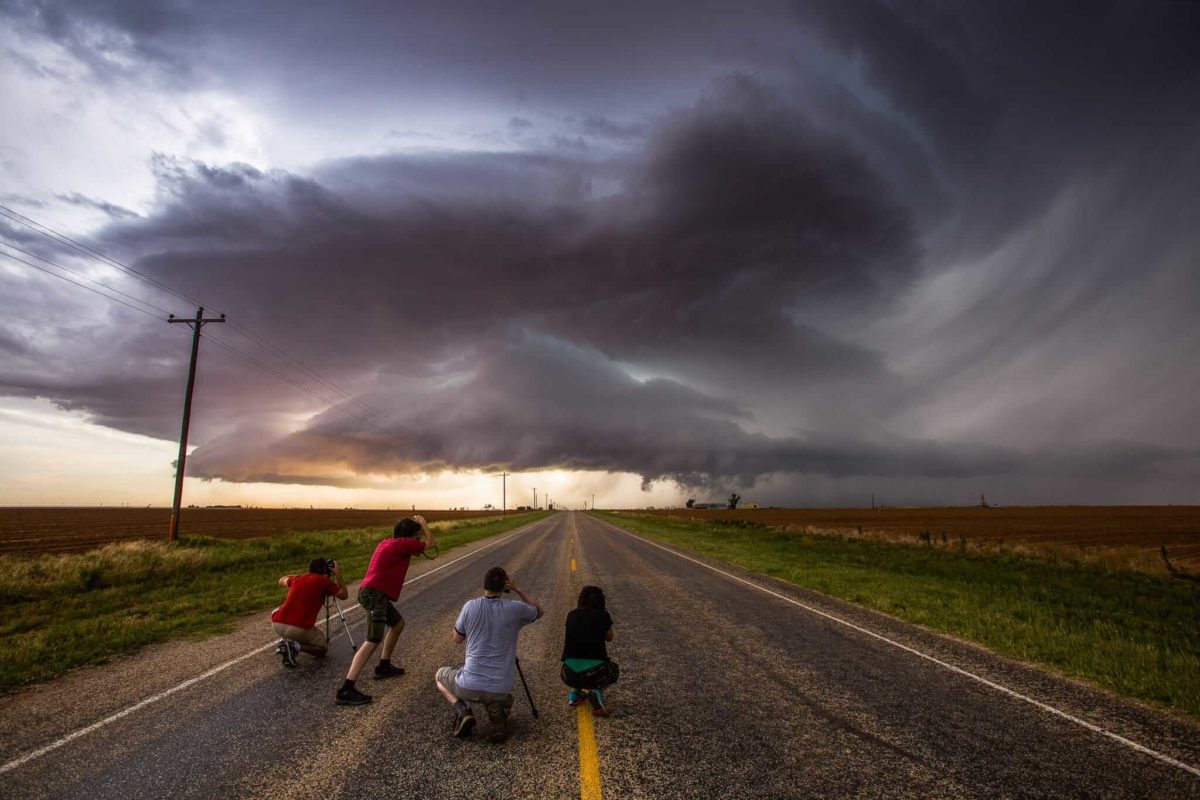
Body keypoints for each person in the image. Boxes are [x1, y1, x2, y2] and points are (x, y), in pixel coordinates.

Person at [335, 515, 437, 706]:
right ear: (410, 535)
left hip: (374, 593)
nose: (418, 538)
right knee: (372, 640)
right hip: (375, 594)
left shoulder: (389, 542)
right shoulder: (403, 544)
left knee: (398, 624)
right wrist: (424, 525)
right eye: (416, 535)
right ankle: (346, 688)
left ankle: (384, 665)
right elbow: (431, 543)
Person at [435, 567, 542, 741]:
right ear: (504, 587)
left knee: (440, 676)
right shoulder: (515, 609)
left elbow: (456, 639)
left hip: (469, 685)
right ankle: (497, 710)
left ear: (484, 584)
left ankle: (463, 711)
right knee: (506, 704)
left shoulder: (470, 606)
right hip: (501, 689)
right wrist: (517, 588)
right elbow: (539, 610)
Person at [271, 557, 349, 667]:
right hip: (298, 628)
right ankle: (294, 645)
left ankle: (286, 641)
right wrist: (338, 574)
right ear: (325, 571)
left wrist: (307, 575)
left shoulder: (298, 578)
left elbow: (281, 580)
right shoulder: (324, 582)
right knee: (322, 648)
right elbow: (344, 595)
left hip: (278, 624)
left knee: (277, 610)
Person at [560, 585, 618, 716]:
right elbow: (610, 637)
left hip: (567, 673)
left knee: (578, 658)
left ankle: (575, 693)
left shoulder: (571, 614)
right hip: (595, 673)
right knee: (614, 670)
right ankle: (596, 695)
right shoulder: (603, 615)